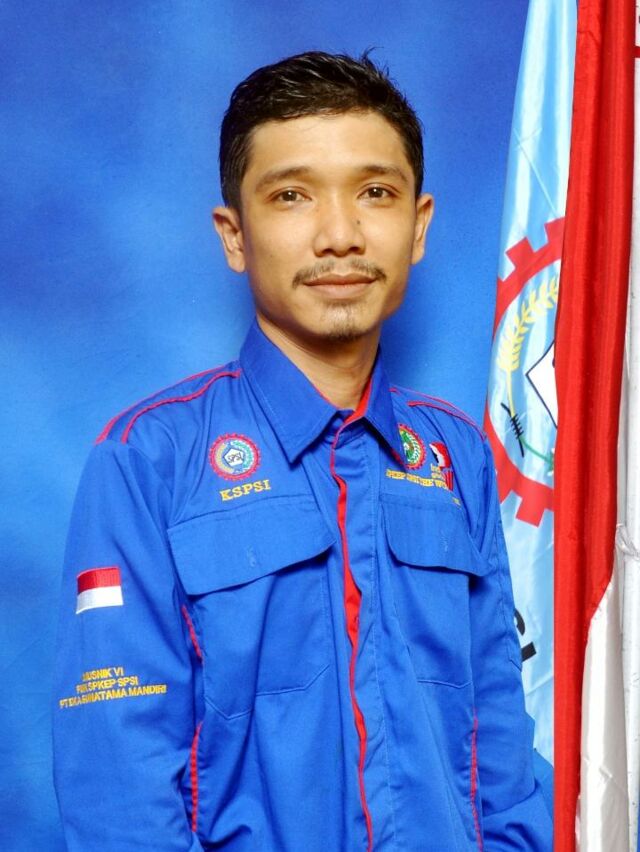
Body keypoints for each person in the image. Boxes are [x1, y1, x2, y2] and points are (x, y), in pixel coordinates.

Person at [52, 51, 552, 851]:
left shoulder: (456, 455)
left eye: (375, 193)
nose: (340, 236)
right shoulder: (149, 460)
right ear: (234, 236)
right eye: (292, 195)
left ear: (419, 225)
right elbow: (120, 784)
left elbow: (498, 747)